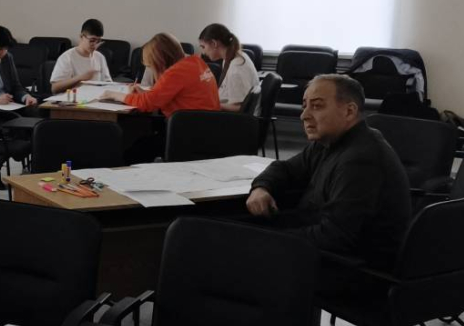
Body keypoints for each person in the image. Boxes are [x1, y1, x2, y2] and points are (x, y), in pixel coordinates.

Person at [247, 74, 410, 271]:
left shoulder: (361, 159)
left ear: (349, 111)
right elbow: (286, 168)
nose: (304, 115)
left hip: (348, 268)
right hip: (318, 244)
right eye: (304, 106)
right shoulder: (329, 141)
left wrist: (268, 239)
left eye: (316, 106)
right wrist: (261, 187)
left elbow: (336, 236)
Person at [108, 32, 220, 162]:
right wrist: (144, 94)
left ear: (159, 60)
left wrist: (116, 95)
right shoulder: (195, 61)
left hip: (188, 134)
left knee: (133, 153)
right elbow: (167, 95)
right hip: (207, 129)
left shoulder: (176, 72)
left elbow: (147, 104)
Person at [197, 23, 259, 111]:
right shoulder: (232, 57)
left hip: (230, 117)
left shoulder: (236, 69)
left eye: (203, 47)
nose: (203, 52)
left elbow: (239, 108)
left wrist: (213, 105)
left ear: (214, 43)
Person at [49, 19, 111, 94]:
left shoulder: (100, 57)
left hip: (96, 98)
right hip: (74, 99)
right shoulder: (67, 57)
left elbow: (108, 83)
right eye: (92, 40)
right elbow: (55, 88)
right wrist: (80, 78)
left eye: (98, 41)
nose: (95, 45)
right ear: (81, 36)